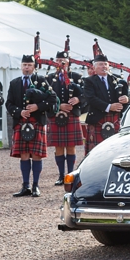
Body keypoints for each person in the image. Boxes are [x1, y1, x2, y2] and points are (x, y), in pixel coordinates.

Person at [6, 55, 56, 197]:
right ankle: (25, 186)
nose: (26, 67)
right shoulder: (14, 83)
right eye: (24, 65)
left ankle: (36, 186)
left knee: (36, 155)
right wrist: (19, 112)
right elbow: (8, 104)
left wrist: (37, 107)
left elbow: (52, 98)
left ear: (34, 67)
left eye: (29, 65)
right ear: (21, 66)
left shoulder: (41, 81)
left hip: (37, 121)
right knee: (24, 155)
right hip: (21, 122)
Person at [46, 52, 84, 185]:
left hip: (72, 115)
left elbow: (86, 95)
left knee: (71, 147)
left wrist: (78, 99)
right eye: (58, 60)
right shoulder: (49, 78)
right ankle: (61, 176)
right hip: (56, 115)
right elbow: (44, 97)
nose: (61, 63)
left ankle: (70, 175)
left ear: (68, 62)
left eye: (63, 60)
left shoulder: (77, 77)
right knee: (59, 147)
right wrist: (59, 106)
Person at [84, 54, 129, 155]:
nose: (104, 66)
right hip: (97, 119)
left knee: (115, 149)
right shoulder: (89, 81)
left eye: (105, 64)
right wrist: (109, 107)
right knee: (96, 152)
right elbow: (90, 98)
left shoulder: (116, 79)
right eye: (100, 64)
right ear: (94, 67)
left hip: (115, 118)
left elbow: (128, 93)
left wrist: (127, 99)